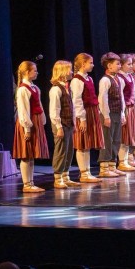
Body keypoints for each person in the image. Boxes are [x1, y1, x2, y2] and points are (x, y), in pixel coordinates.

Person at [13, 61, 49, 192]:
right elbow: (23, 111)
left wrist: (42, 121)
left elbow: (39, 105)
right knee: (26, 154)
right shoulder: (23, 89)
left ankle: (31, 182)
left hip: (36, 122)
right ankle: (27, 184)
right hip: (28, 123)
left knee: (32, 154)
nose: (37, 72)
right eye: (35, 70)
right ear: (27, 72)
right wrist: (27, 128)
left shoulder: (35, 88)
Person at [71, 52, 104, 182]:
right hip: (83, 113)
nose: (93, 65)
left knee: (88, 143)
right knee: (82, 143)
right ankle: (84, 173)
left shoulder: (89, 78)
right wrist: (82, 119)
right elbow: (77, 101)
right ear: (83, 64)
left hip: (92, 112)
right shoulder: (77, 80)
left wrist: (98, 111)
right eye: (90, 63)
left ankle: (87, 172)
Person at [48, 60, 78, 189]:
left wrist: (74, 123)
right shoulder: (56, 89)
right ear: (62, 72)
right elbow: (54, 110)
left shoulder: (67, 87)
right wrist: (59, 127)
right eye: (69, 69)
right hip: (61, 125)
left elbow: (72, 107)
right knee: (61, 151)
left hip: (68, 124)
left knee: (69, 151)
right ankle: (58, 178)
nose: (71, 72)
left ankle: (66, 176)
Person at [97, 52, 128, 177]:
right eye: (117, 64)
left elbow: (121, 98)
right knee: (107, 140)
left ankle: (112, 166)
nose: (120, 66)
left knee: (116, 140)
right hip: (108, 114)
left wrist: (122, 114)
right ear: (109, 66)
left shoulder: (119, 79)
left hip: (117, 113)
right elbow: (103, 99)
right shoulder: (105, 80)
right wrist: (106, 116)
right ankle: (104, 168)